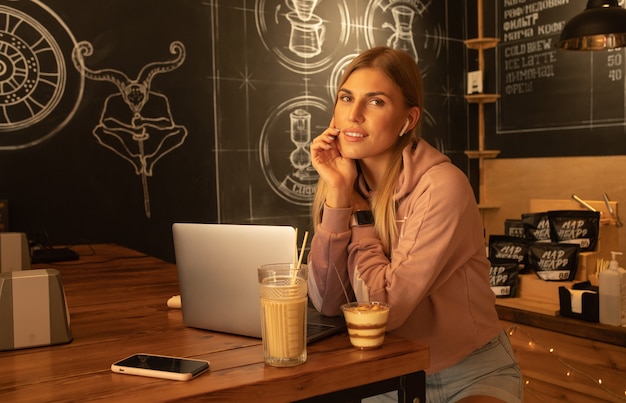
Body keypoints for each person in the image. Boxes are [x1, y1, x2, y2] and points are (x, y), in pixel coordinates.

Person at [307, 46, 522, 403]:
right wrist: (340, 194)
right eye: (346, 98)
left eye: (375, 102)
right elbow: (328, 303)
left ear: (408, 120)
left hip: (470, 372)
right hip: (387, 374)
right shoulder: (343, 183)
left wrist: (360, 219)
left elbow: (383, 310)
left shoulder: (441, 186)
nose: (354, 115)